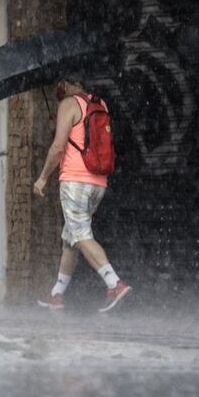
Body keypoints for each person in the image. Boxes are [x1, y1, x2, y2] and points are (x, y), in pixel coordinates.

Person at [33, 75, 131, 313]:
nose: (57, 88)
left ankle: (114, 283)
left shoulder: (68, 104)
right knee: (70, 238)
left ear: (65, 82)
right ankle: (57, 294)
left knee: (80, 235)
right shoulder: (100, 104)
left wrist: (43, 177)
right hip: (98, 182)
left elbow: (58, 148)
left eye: (58, 83)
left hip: (75, 181)